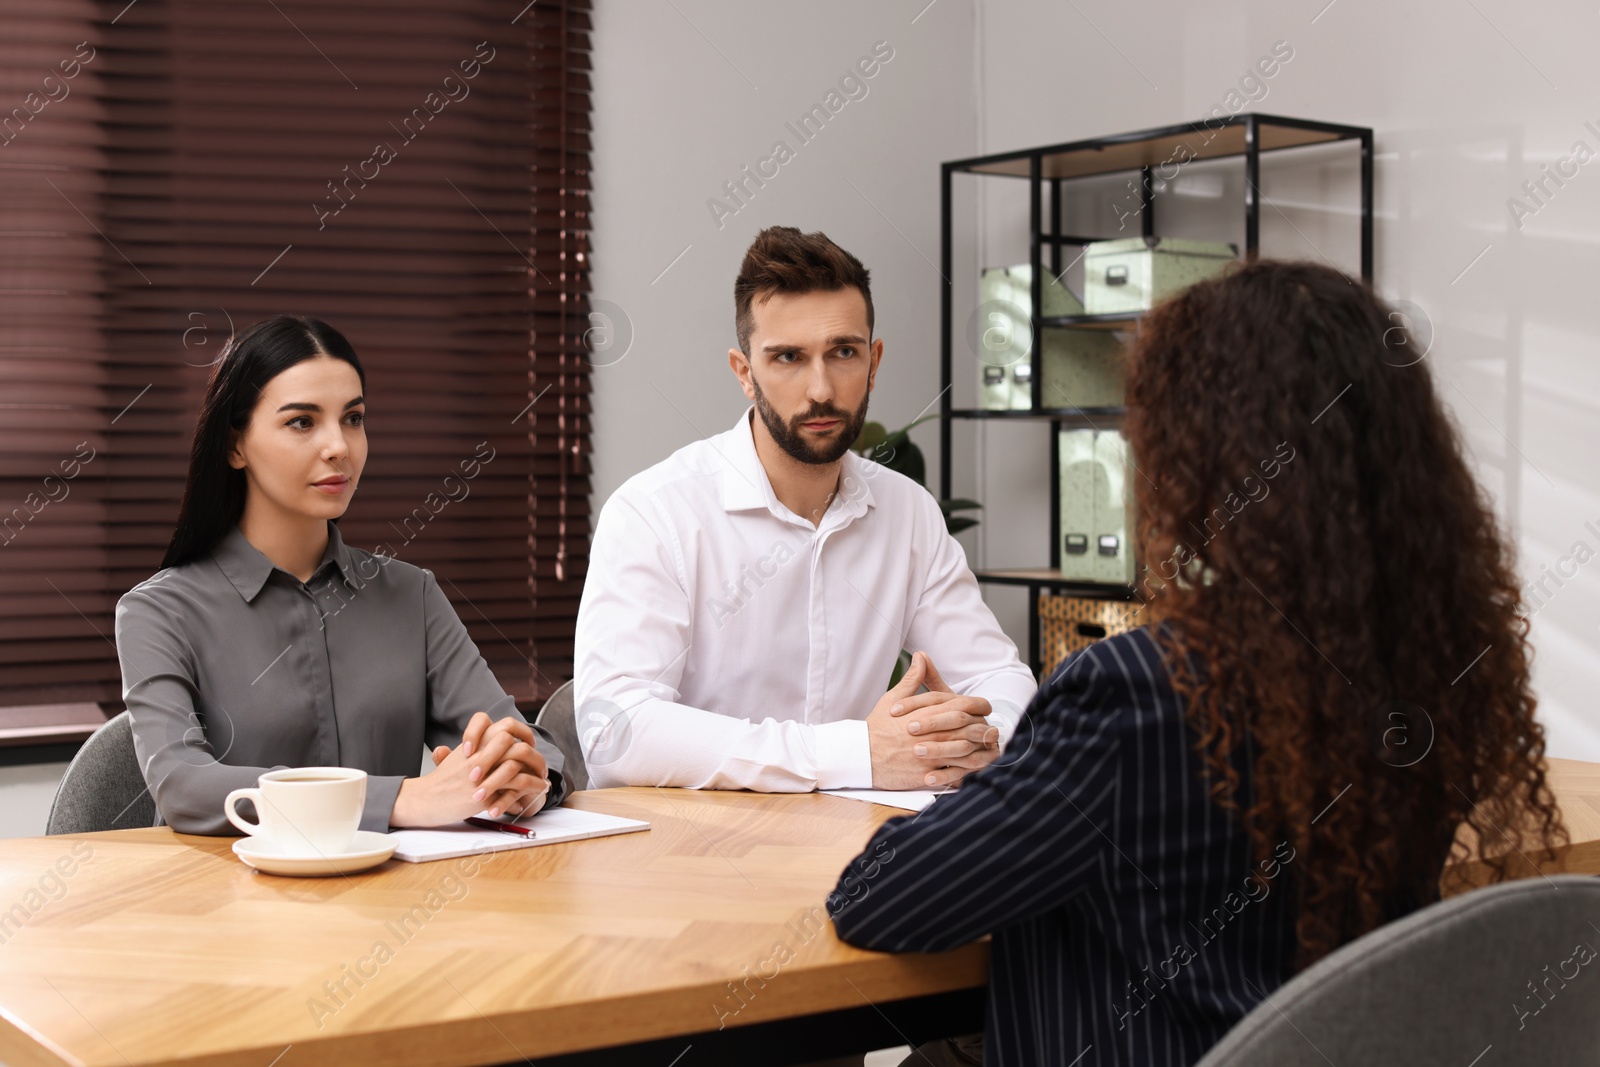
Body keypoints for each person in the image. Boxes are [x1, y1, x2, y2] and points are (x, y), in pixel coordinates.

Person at [828, 260, 1567, 1067]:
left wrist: (995, 792)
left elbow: (881, 902)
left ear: (1196, 458)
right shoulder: (1433, 675)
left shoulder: (1136, 692)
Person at [573, 226, 1036, 791]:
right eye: (788, 357)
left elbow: (998, 676)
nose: (821, 389)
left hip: (858, 849)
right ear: (745, 373)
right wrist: (853, 753)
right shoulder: (655, 513)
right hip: (692, 856)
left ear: (873, 361)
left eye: (843, 352)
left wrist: (975, 743)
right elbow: (615, 733)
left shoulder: (908, 511)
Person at [116, 315, 567, 836]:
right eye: (302, 422)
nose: (340, 446)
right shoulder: (157, 612)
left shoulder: (411, 595)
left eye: (352, 418)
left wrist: (521, 778)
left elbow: (534, 748)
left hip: (392, 901)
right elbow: (184, 786)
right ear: (235, 445)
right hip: (227, 907)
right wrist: (398, 799)